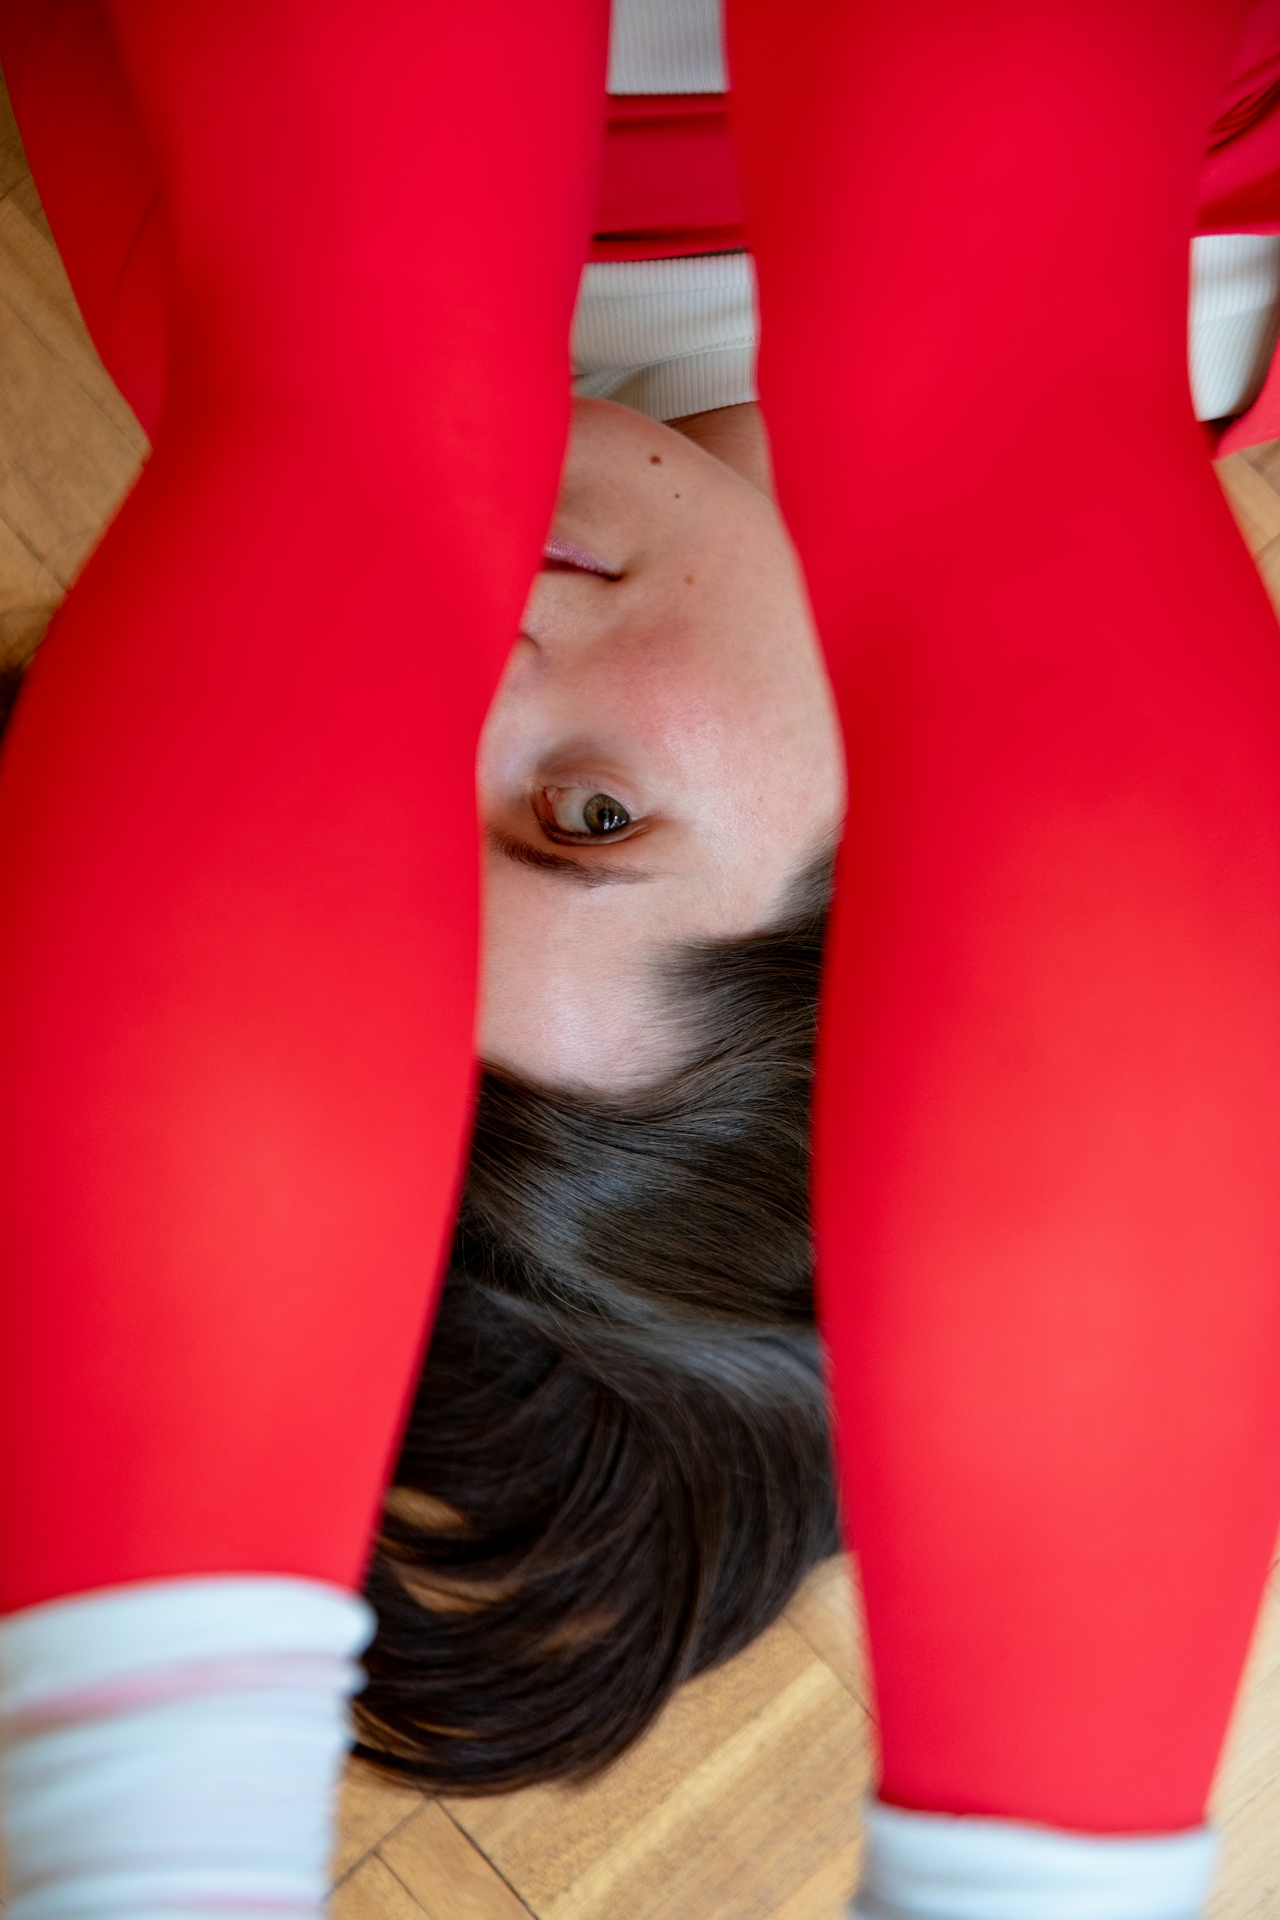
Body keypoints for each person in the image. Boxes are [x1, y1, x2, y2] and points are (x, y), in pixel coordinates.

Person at [3, 8, 1280, 1920]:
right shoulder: (1221, 243)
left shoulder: (184, 280)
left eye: (350, 799)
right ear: (931, 905)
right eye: (588, 820)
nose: (483, 666)